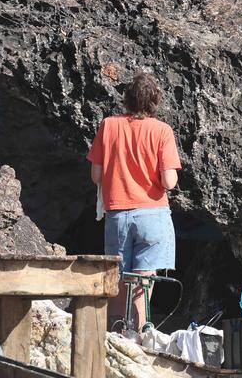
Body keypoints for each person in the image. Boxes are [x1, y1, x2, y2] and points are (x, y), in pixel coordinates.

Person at [87, 72, 181, 332]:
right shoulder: (162, 131)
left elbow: (96, 174)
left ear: (127, 99)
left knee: (118, 280)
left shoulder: (109, 126)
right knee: (143, 284)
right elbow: (169, 181)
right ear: (155, 102)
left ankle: (116, 335)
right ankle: (137, 338)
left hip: (118, 214)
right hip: (153, 215)